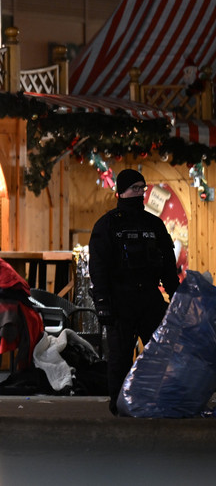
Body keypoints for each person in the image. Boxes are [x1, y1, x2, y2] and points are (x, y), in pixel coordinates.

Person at [88, 168, 180, 415]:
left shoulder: (154, 224)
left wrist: (176, 295)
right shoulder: (107, 225)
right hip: (120, 300)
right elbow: (98, 268)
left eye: (143, 188)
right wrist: (103, 303)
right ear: (122, 191)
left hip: (150, 298)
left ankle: (154, 401)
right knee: (119, 357)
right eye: (135, 188)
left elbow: (168, 265)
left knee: (159, 354)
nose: (140, 193)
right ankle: (118, 405)